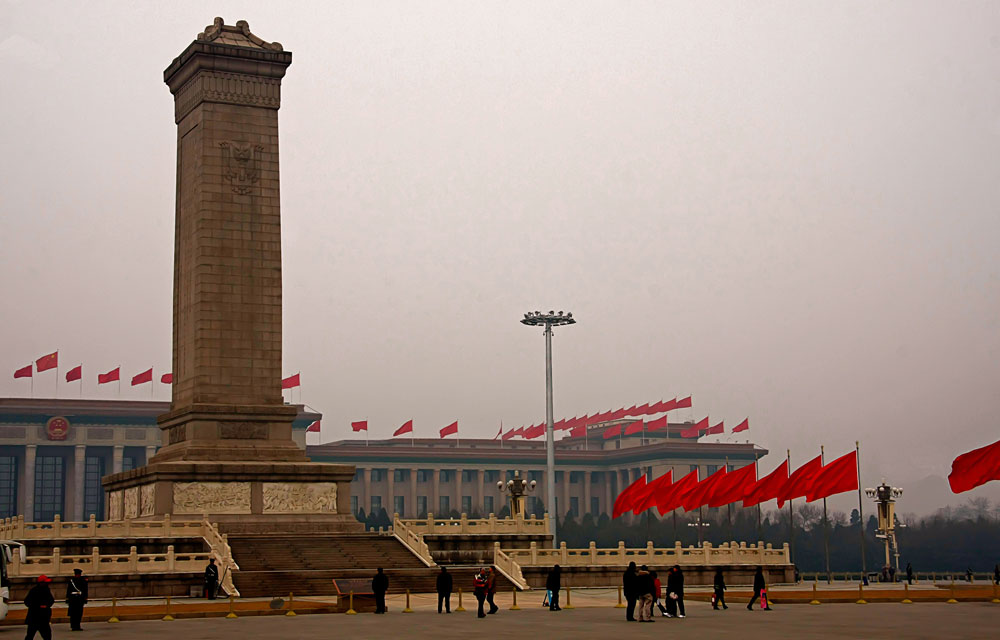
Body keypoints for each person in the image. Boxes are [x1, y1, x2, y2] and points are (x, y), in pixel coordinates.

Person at [25, 575, 55, 640]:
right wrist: (38, 606)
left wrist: (46, 605)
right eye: (46, 582)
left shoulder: (47, 590)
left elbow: (51, 600)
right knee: (30, 635)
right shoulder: (34, 591)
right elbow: (27, 602)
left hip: (44, 618)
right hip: (34, 618)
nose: (47, 584)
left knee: (47, 636)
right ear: (41, 583)